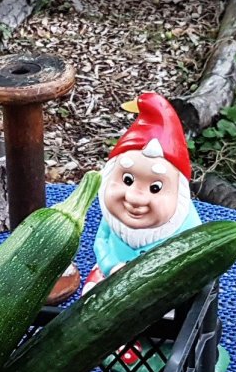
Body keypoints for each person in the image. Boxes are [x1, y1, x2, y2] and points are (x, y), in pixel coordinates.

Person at [83, 92, 202, 293]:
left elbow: (195, 255)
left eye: (155, 188)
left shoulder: (187, 225)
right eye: (127, 180)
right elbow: (101, 242)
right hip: (110, 274)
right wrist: (111, 265)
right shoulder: (112, 220)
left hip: (159, 288)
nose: (134, 197)